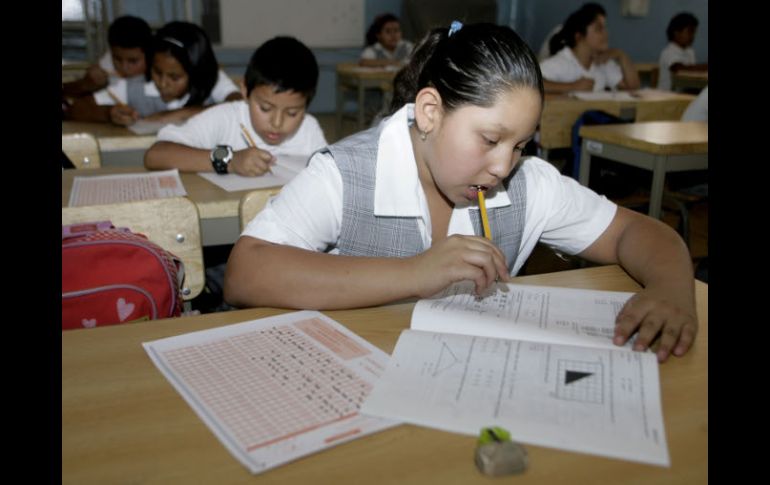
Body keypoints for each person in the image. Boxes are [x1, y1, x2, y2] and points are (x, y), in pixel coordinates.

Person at [224, 22, 697, 363]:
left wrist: (672, 289)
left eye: (521, 144)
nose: (503, 165)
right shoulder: (348, 173)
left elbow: (636, 232)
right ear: (429, 111)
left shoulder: (526, 183)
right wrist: (414, 273)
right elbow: (247, 271)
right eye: (490, 140)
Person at [144, 36, 327, 176]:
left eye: (293, 113)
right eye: (265, 108)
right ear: (245, 91)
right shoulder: (226, 118)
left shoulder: (309, 129)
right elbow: (155, 155)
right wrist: (229, 161)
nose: (277, 123)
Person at [66, 21, 241, 126]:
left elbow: (238, 105)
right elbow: (76, 109)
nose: (163, 83)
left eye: (175, 77)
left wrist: (179, 114)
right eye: (157, 72)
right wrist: (109, 114)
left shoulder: (213, 80)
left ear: (196, 73)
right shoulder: (137, 86)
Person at [539, 3, 639, 93]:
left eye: (605, 28)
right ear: (579, 36)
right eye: (598, 29)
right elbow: (530, 84)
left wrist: (621, 55)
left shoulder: (603, 63)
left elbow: (633, 88)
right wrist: (572, 86)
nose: (605, 34)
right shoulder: (563, 62)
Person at [62, 15, 152, 99]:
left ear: (149, 55)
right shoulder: (107, 62)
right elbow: (66, 90)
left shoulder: (159, 68)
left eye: (133, 61)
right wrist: (86, 84)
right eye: (117, 59)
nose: (124, 68)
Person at [657, 12, 706, 91]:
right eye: (689, 32)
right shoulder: (669, 52)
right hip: (668, 95)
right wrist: (704, 67)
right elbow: (678, 69)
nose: (693, 36)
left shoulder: (690, 51)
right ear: (676, 33)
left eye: (694, 32)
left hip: (684, 92)